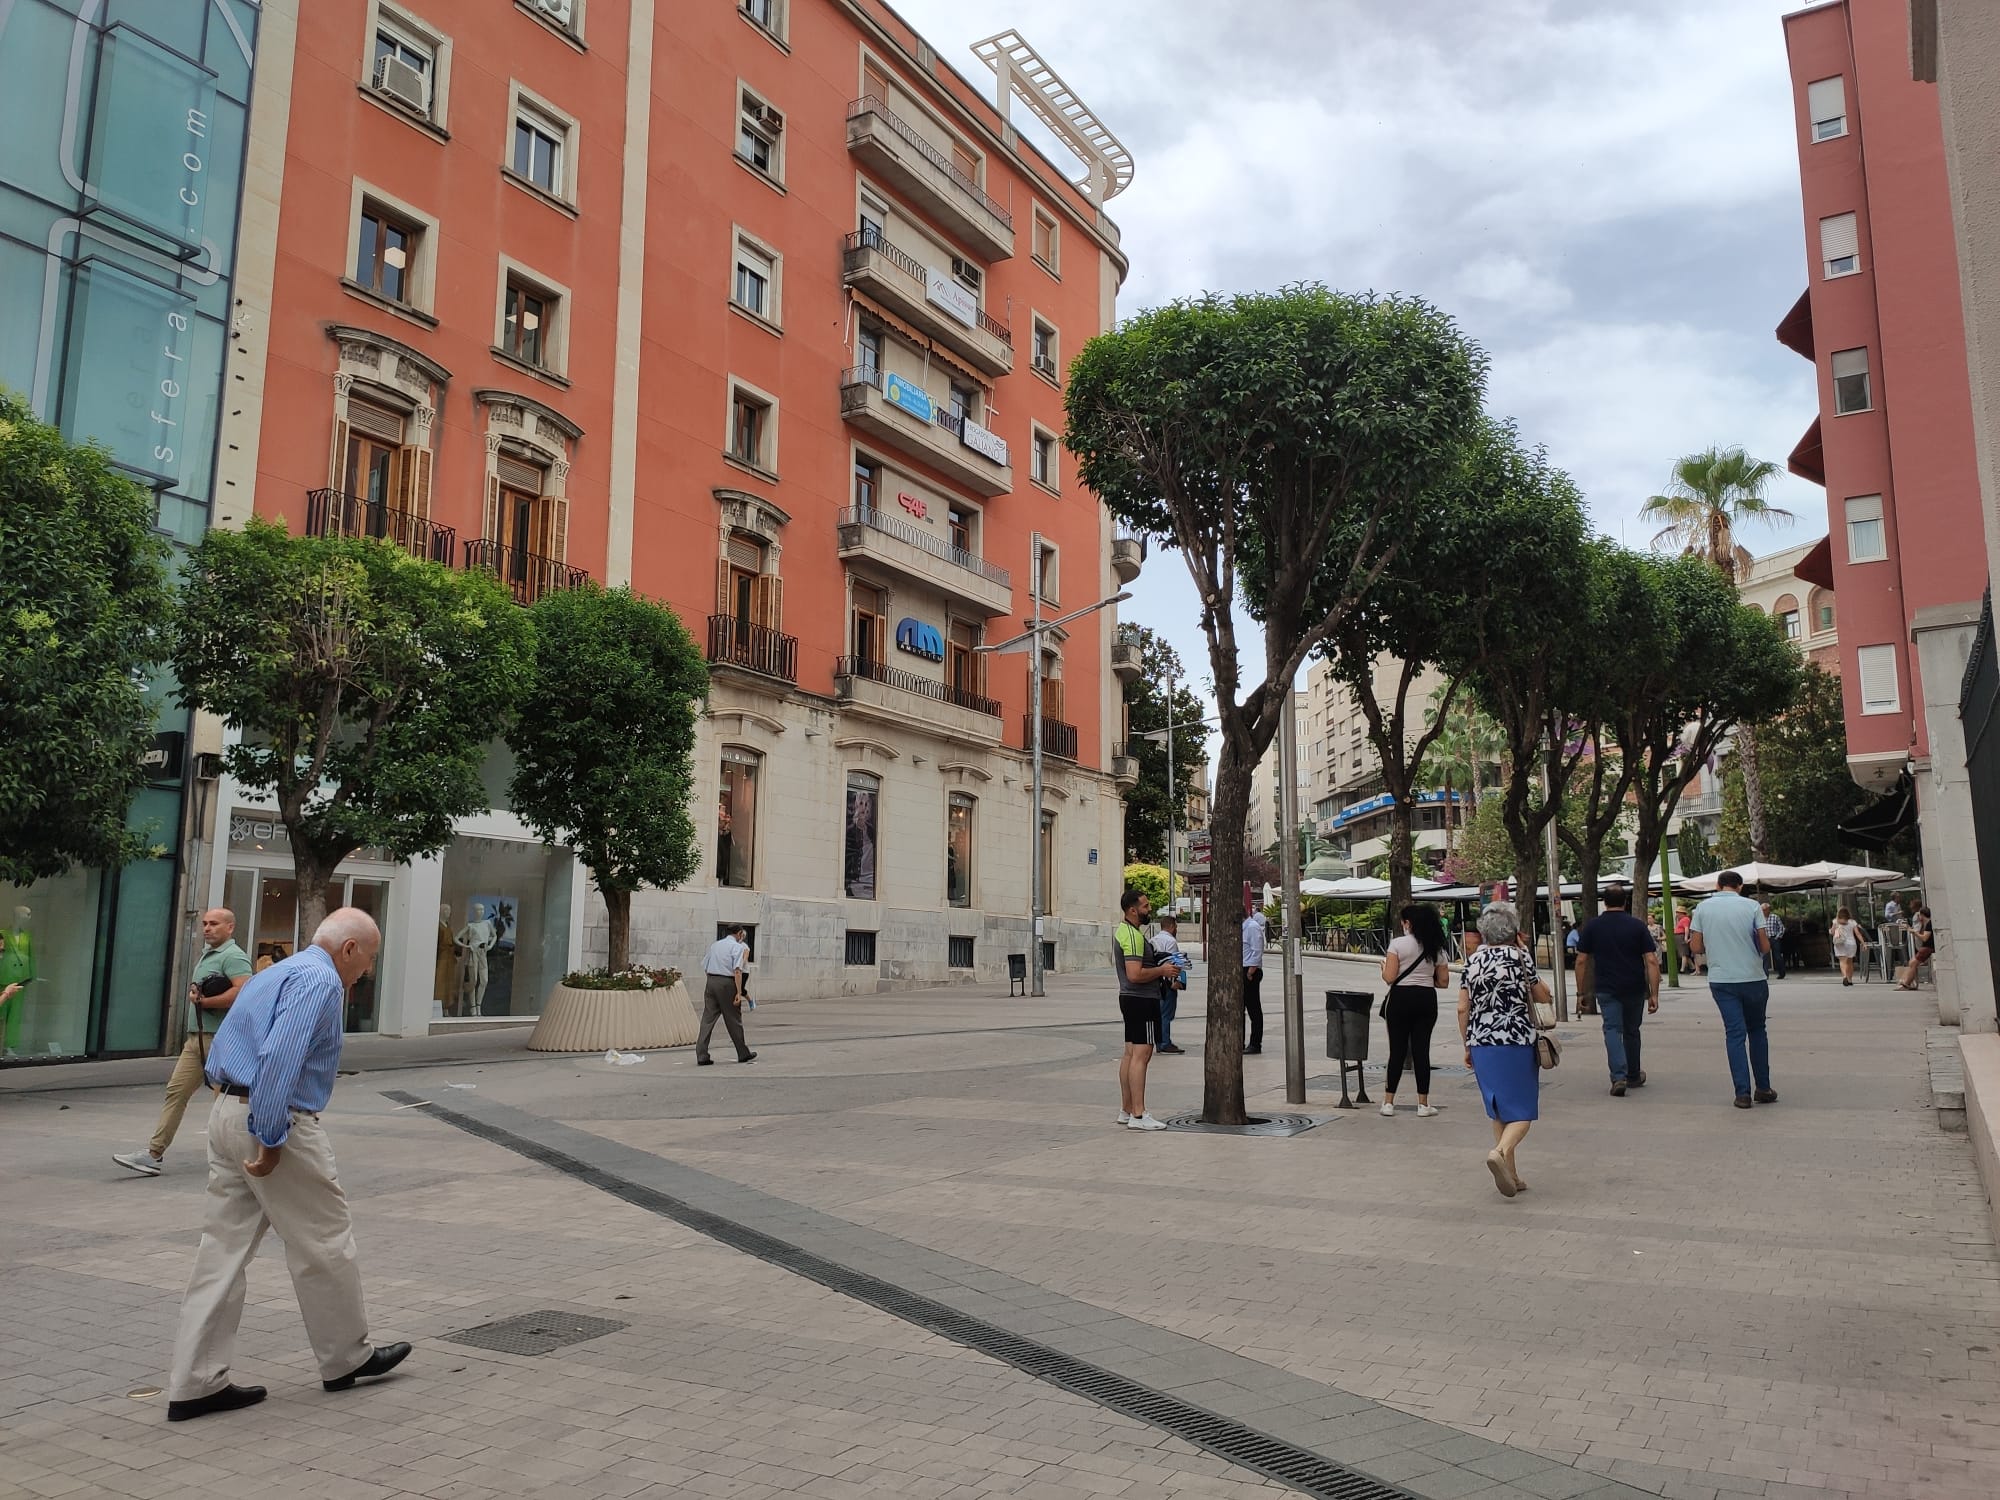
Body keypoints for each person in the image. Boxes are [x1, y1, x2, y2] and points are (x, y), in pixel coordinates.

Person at [164, 909, 410, 1421]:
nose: (367, 970)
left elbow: (233, 1044)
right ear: (347, 949)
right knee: (324, 1240)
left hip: (226, 1111)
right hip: (273, 1117)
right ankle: (346, 1357)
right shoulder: (321, 981)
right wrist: (271, 1136)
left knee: (221, 1251)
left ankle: (195, 1382)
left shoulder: (276, 972)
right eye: (368, 957)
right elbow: (280, 1057)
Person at [115, 909, 255, 1177]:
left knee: (224, 1101)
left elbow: (243, 991)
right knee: (176, 1092)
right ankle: (154, 1154)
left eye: (214, 924)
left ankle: (235, 1156)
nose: (207, 928)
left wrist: (205, 1002)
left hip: (220, 1039)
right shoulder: (208, 954)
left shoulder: (234, 956)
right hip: (196, 1040)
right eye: (204, 924)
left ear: (230, 927)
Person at [1458, 901, 1547, 1198]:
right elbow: (1542, 995)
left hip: (1482, 1042)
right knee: (1523, 1111)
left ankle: (1512, 1175)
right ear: (1514, 931)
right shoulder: (1520, 959)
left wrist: (1467, 1043)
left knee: (1498, 1109)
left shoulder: (1472, 962)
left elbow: (1462, 1008)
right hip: (1517, 1041)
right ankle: (1500, 1152)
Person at [1689, 873, 1776, 1109]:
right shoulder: (1752, 906)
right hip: (1753, 977)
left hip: (1721, 979)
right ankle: (1764, 1087)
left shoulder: (1702, 908)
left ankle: (1742, 1093)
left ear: (1717, 886)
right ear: (1740, 886)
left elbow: (1696, 946)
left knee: (1734, 1033)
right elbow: (1765, 945)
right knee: (1757, 1030)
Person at [1575, 885, 1660, 1096]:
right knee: (1632, 1031)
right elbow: (1651, 960)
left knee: (1612, 1029)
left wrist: (1580, 993)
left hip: (1606, 987)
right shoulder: (1637, 926)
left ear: (1604, 902)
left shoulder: (1593, 926)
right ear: (1625, 902)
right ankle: (1633, 1074)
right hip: (1634, 986)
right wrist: (1654, 993)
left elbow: (1581, 960)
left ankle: (1618, 1076)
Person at [1112, 888, 1179, 1130]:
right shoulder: (1132, 936)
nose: (1149, 909)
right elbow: (1134, 974)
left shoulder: (1128, 933)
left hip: (1132, 999)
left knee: (1130, 1054)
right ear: (1132, 910)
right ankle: (1138, 1115)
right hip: (1141, 999)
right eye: (1145, 906)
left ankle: (1127, 1109)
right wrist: (1162, 971)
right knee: (1141, 1055)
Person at [1378, 905, 1450, 1118]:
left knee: (1397, 1052)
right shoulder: (1436, 947)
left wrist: (1383, 969)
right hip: (1426, 999)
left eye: (1403, 921)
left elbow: (1390, 977)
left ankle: (1388, 1102)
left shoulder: (1397, 944)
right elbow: (1444, 982)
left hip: (1400, 999)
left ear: (1408, 923)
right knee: (1422, 1051)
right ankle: (1423, 1104)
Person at [697, 924, 757, 1064]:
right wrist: (738, 991)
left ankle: (701, 1054)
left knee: (707, 1018)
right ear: (739, 933)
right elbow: (737, 970)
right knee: (733, 1018)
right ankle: (742, 1052)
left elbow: (705, 966)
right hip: (727, 983)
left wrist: (712, 981)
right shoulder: (737, 947)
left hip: (711, 980)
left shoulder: (715, 945)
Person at [1150, 914, 1187, 1054]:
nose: (1176, 929)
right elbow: (1174, 963)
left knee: (1160, 1013)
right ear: (1171, 926)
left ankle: (1160, 1041)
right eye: (1176, 926)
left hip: (1156, 980)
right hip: (1168, 981)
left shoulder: (1153, 940)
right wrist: (1176, 981)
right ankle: (1165, 1042)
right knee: (1166, 1013)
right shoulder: (1171, 941)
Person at [1240, 909, 1265, 1054]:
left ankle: (1255, 1043)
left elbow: (1257, 950)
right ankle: (1240, 1041)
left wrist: (1251, 971)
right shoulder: (1244, 928)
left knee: (1253, 1008)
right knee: (1240, 1007)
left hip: (1250, 970)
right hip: (1243, 969)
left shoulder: (1252, 927)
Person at [1897, 907, 1935, 990]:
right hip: (1926, 947)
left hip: (1928, 947)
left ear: (1922, 915)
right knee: (1912, 963)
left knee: (1913, 963)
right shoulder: (1924, 924)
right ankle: (1910, 982)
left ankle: (1906, 983)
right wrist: (1910, 929)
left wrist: (1914, 932)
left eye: (1919, 915)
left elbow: (1925, 938)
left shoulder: (1929, 924)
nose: (1918, 917)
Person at [1829, 907, 1867, 986]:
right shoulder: (1852, 922)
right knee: (1850, 962)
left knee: (1842, 961)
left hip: (1840, 943)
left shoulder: (1835, 921)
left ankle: (1844, 976)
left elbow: (1832, 932)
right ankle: (1850, 980)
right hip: (1851, 944)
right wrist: (1863, 943)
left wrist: (1832, 929)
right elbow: (1857, 933)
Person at [1760, 902, 1787, 980]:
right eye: (1762, 910)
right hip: (1765, 938)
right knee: (1764, 957)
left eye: (1764, 909)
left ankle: (1782, 973)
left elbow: (1781, 928)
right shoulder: (1760, 918)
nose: (1763, 911)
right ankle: (1765, 975)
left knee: (1777, 957)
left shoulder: (1775, 917)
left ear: (1768, 909)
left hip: (1774, 938)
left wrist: (1777, 937)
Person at [1673, 906, 1699, 975]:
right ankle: (1692, 967)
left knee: (1683, 953)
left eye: (1678, 913)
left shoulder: (1685, 919)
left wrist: (1685, 937)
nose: (1677, 914)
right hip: (1679, 936)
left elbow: (1686, 928)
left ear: (1682, 913)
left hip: (1681, 935)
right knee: (1684, 953)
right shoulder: (1681, 920)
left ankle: (1682, 969)